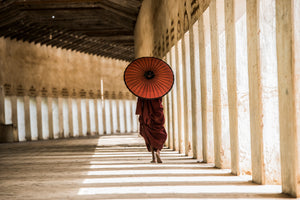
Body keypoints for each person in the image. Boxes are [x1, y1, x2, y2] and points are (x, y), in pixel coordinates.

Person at [136, 97, 167, 163]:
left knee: (149, 135)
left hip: (146, 116)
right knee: (161, 134)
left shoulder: (143, 93)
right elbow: (159, 101)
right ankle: (158, 152)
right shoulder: (157, 91)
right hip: (157, 114)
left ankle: (153, 157)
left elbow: (140, 104)